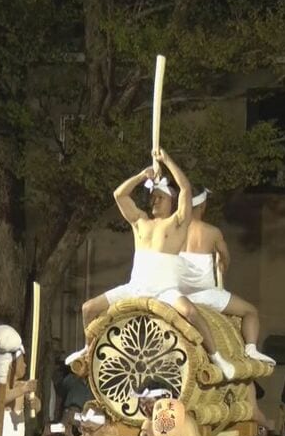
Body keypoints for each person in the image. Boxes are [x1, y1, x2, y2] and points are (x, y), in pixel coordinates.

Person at [66, 150, 239, 380]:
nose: (154, 200)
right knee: (89, 308)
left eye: (160, 197)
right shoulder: (141, 221)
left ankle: (217, 356)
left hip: (165, 290)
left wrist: (166, 160)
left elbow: (186, 188)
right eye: (153, 197)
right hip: (136, 286)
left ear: (171, 202)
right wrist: (141, 176)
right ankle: (88, 350)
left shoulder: (177, 223)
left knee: (190, 312)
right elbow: (119, 195)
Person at [179, 188, 275, 365]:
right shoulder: (212, 232)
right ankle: (251, 348)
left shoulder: (172, 230)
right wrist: (223, 265)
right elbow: (225, 257)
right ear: (202, 205)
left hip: (177, 296)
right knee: (250, 311)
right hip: (205, 294)